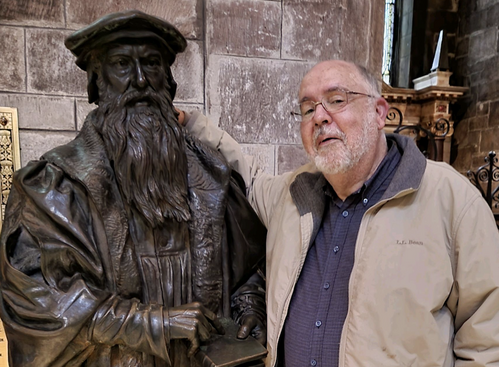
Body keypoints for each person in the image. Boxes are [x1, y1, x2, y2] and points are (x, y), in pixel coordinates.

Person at [178, 59, 499, 367]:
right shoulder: (291, 196)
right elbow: (248, 176)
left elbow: (487, 340)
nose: (319, 117)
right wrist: (191, 124)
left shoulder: (452, 202)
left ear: (379, 112)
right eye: (308, 109)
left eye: (337, 100)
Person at [0, 10, 267, 367]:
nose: (140, 80)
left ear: (168, 80)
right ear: (98, 81)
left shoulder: (211, 175)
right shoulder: (54, 188)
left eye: (152, 64)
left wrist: (250, 306)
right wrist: (154, 324)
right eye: (122, 64)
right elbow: (40, 305)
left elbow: (248, 267)